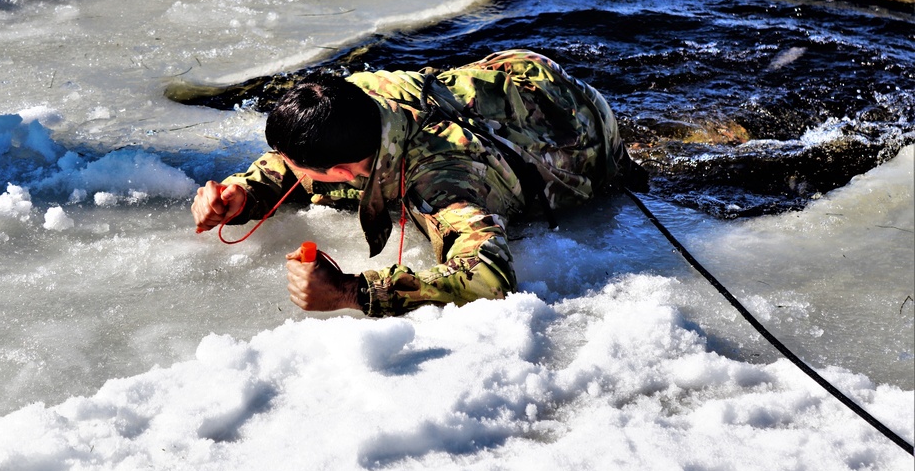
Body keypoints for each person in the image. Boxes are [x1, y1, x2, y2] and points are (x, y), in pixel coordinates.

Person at [191, 49, 647, 317]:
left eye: (296, 165)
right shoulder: (355, 100)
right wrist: (245, 193)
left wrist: (354, 290)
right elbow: (291, 162)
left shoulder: (443, 182)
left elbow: (490, 278)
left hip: (579, 138)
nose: (282, 167)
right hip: (512, 76)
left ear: (343, 174)